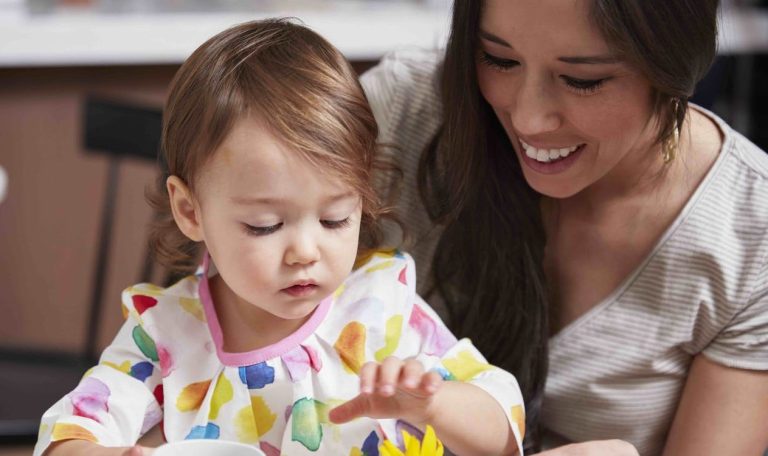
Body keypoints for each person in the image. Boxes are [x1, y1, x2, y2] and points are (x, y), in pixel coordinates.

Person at [34, 19, 526, 456]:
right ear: (190, 211)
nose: (305, 253)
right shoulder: (165, 335)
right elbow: (71, 427)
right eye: (265, 226)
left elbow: (504, 428)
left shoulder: (382, 310)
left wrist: (435, 404)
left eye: (335, 219)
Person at [361, 0, 768, 455]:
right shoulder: (399, 112)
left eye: (583, 80)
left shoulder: (754, 239)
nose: (529, 119)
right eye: (499, 59)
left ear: (675, 64)